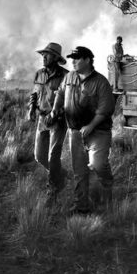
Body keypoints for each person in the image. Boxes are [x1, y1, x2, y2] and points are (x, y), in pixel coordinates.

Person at [50, 46, 116, 214]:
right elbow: (60, 93)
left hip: (98, 132)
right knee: (79, 171)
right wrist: (55, 108)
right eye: (72, 58)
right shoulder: (69, 77)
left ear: (87, 60)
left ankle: (107, 185)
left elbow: (105, 110)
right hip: (75, 132)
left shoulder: (100, 82)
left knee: (97, 164)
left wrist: (91, 126)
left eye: (77, 58)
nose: (73, 61)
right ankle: (81, 206)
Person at [26, 42, 69, 196]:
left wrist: (55, 114)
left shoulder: (66, 76)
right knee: (39, 156)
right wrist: (31, 107)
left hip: (58, 121)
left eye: (47, 54)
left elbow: (69, 101)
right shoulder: (39, 74)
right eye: (43, 54)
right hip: (42, 119)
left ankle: (53, 189)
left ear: (56, 57)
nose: (43, 57)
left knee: (53, 155)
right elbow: (35, 93)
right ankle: (61, 174)